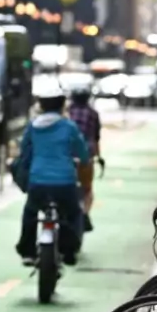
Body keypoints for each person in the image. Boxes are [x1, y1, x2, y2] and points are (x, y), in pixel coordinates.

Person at [13, 89, 90, 265]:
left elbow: (24, 151)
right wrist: (83, 160)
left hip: (37, 182)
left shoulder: (32, 126)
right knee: (73, 213)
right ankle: (69, 251)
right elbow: (83, 153)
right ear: (62, 104)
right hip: (65, 182)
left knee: (30, 213)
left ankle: (28, 252)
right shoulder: (68, 126)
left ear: (41, 105)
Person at [67, 86, 102, 230]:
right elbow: (96, 137)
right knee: (87, 189)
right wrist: (99, 157)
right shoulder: (93, 114)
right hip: (86, 156)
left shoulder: (67, 113)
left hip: (67, 156)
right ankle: (85, 213)